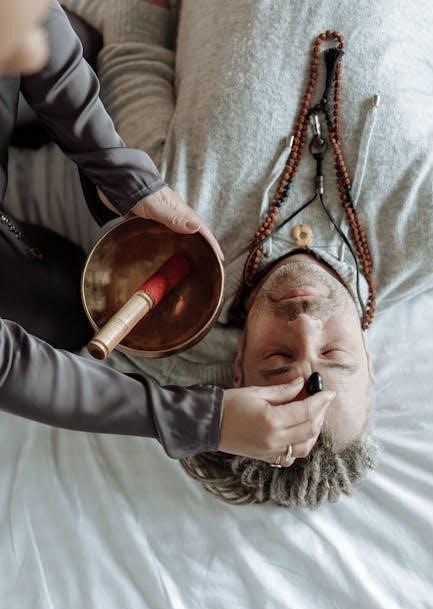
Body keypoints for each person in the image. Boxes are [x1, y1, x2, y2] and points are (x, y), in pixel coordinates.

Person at [8, 1, 431, 507]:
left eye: (277, 359)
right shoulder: (422, 234)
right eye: (335, 356)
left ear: (238, 364)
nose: (304, 324)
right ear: (370, 359)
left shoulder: (171, 221)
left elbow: (134, 37)